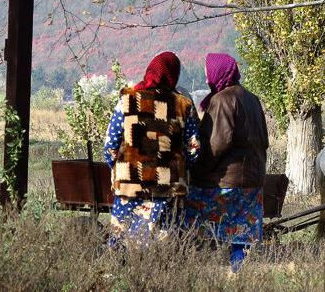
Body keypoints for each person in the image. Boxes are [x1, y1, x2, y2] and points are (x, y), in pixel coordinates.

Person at [103, 51, 200, 247]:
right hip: (169, 185)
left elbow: (111, 145)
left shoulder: (128, 99)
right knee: (163, 244)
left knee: (122, 242)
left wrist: (117, 167)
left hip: (130, 184)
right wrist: (181, 168)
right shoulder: (184, 105)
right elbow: (194, 149)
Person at [184, 53, 268, 273]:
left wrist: (196, 170)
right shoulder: (252, 98)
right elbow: (265, 141)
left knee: (188, 212)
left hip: (227, 182)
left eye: (207, 72)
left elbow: (215, 145)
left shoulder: (222, 99)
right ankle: (238, 271)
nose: (205, 78)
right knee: (242, 231)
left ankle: (197, 270)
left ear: (218, 71)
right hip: (253, 180)